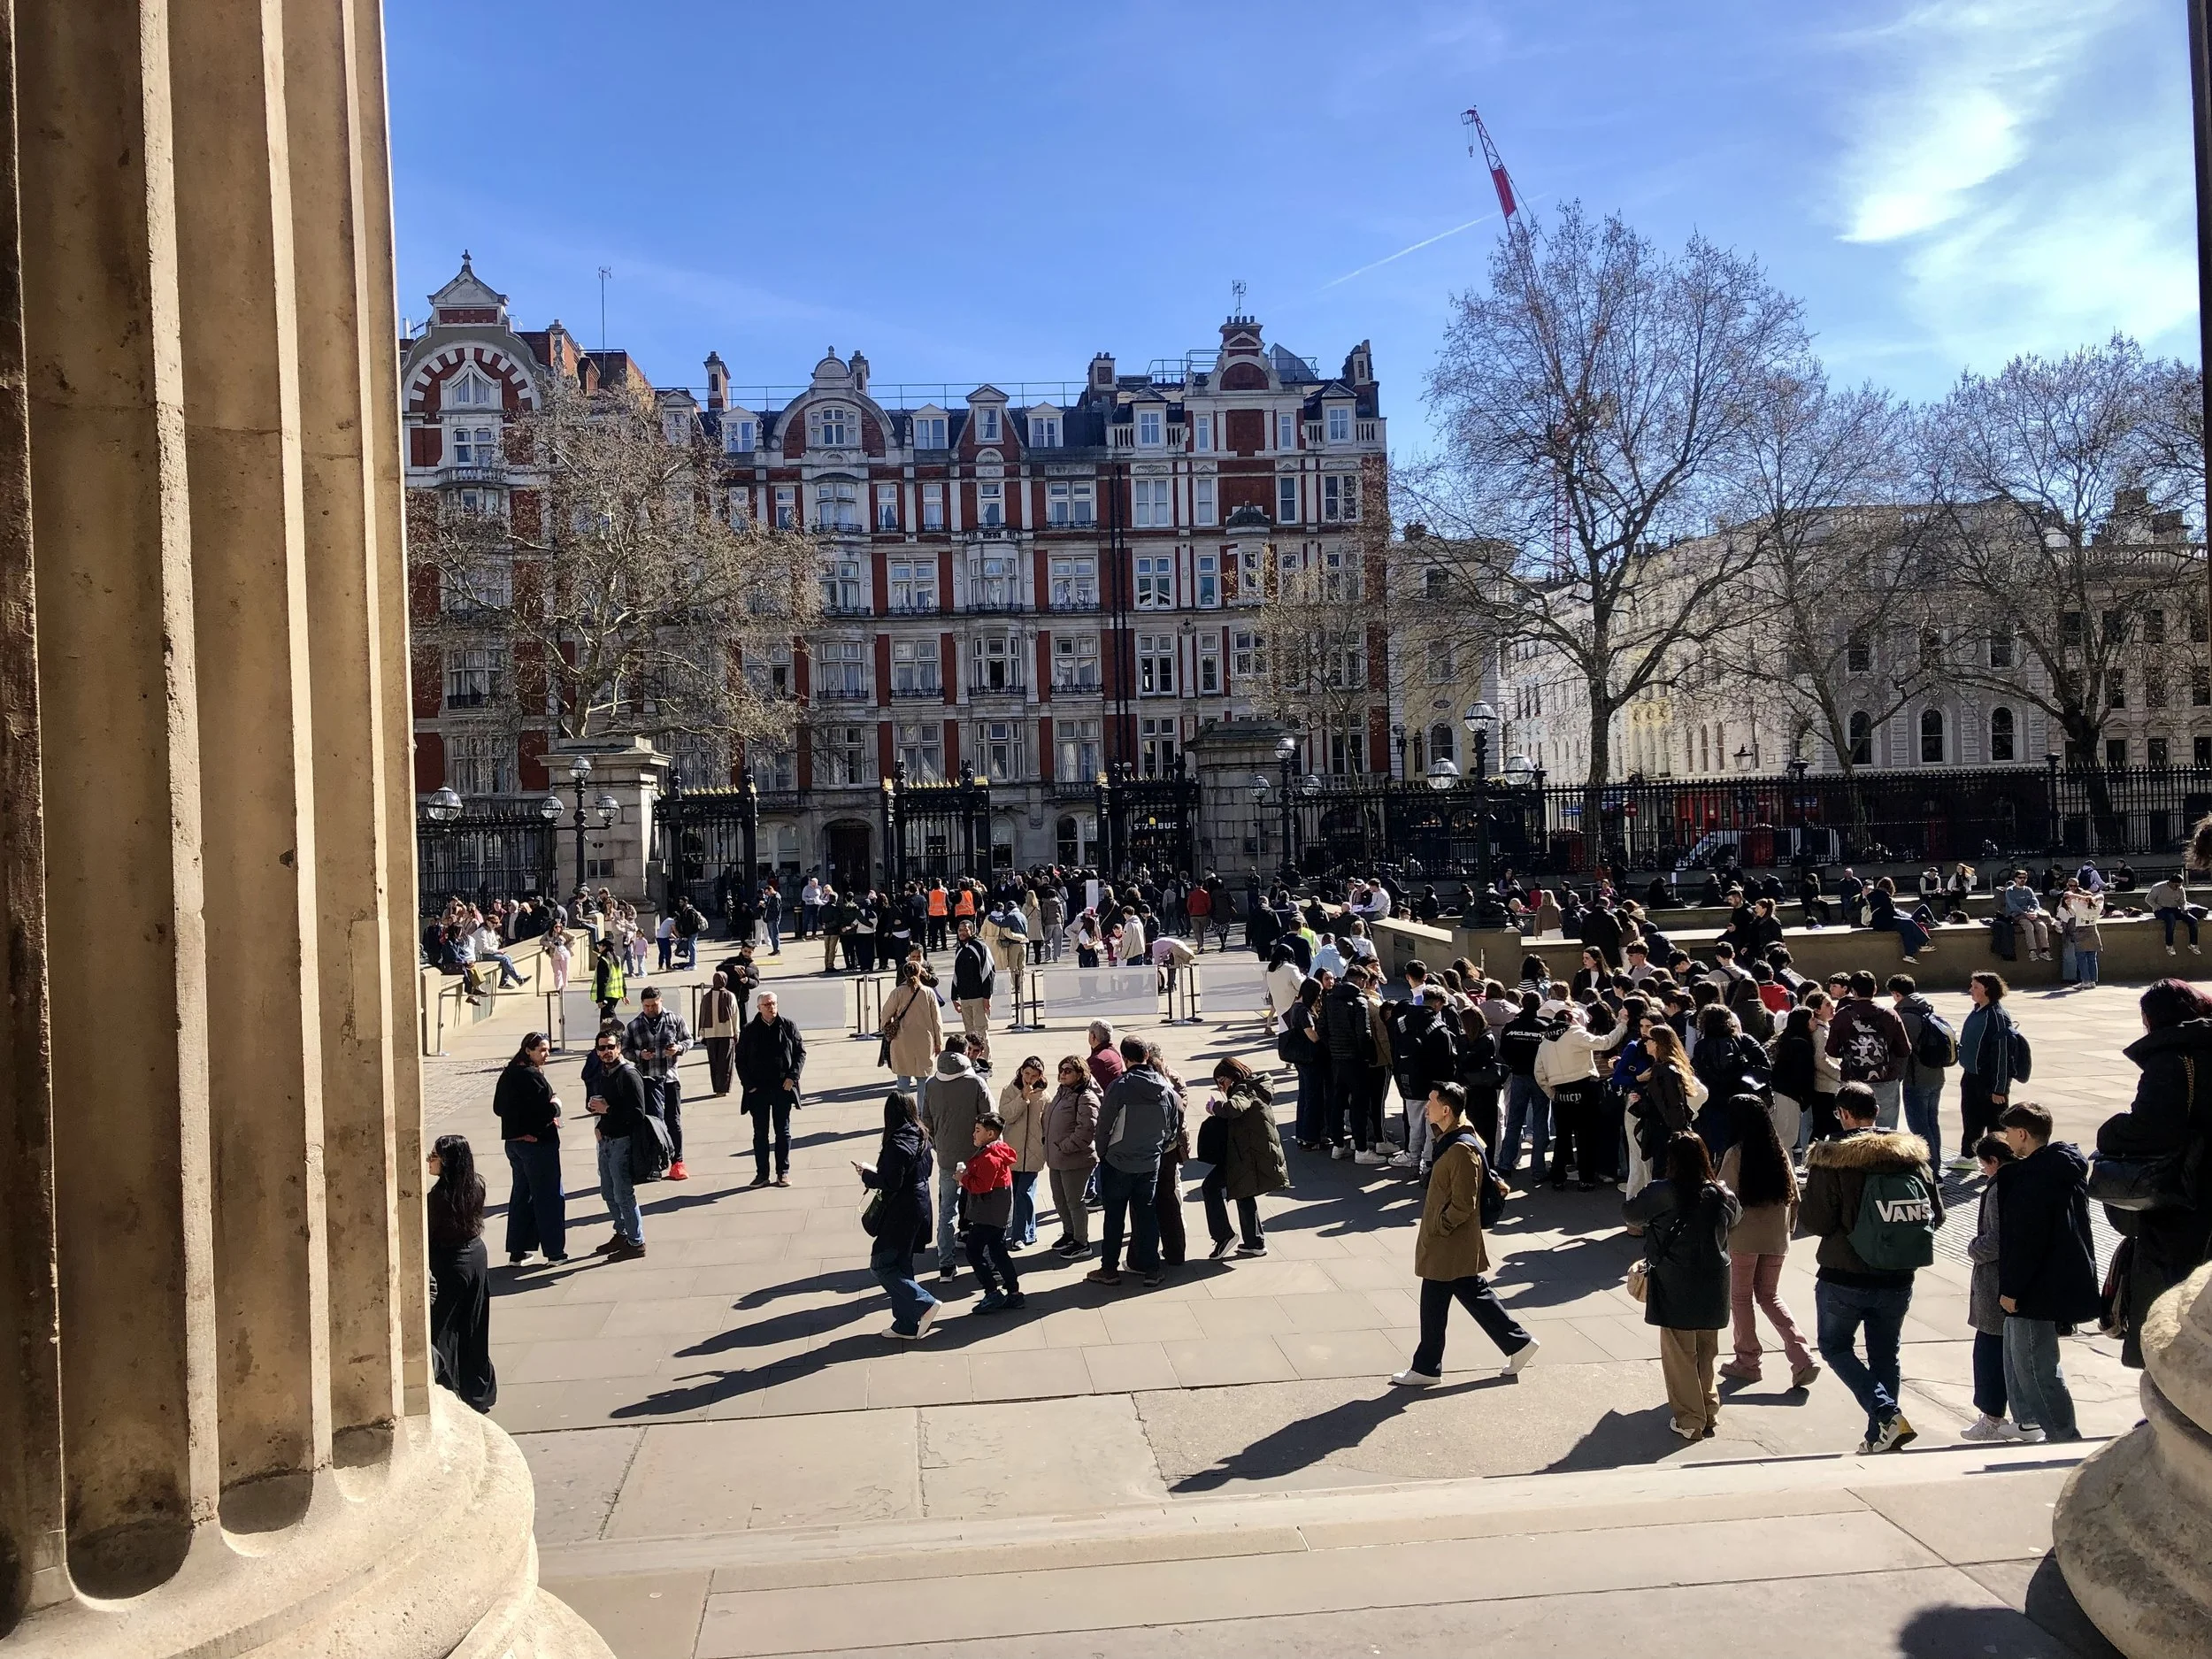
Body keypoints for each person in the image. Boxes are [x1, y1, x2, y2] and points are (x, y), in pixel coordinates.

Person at [1801, 1081, 1945, 1453]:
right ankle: (1881, 1435)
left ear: (1843, 1115)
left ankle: (1886, 1415)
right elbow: (1937, 1215)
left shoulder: (1832, 1158)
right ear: (1877, 1112)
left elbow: (1817, 1221)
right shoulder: (1912, 1158)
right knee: (1885, 1355)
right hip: (1898, 1276)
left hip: (1843, 1276)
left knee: (1834, 1347)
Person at [1390, 1082, 1540, 1385]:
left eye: (1432, 1102)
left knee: (1436, 1301)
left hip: (1449, 1240)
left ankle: (1427, 1368)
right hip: (1449, 1240)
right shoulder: (1452, 1138)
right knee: (1470, 1292)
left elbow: (1463, 1203)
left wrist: (1440, 1226)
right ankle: (1517, 1343)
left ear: (1446, 1110)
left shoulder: (1460, 1150)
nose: (1427, 1107)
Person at [2101, 977, 2212, 1367]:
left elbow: (2150, 1127)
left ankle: (2168, 1391)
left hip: (2184, 1202)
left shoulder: (2173, 1060)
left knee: (2171, 1318)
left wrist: (2111, 1130)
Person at [1624, 1131, 1740, 1440]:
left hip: (1676, 1279)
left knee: (1679, 1353)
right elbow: (1735, 1221)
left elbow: (1631, 1214)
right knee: (1706, 1349)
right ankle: (1708, 1409)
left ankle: (1690, 1419)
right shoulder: (1722, 1193)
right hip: (1715, 1279)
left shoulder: (1661, 1191)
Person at [1994, 1102, 2097, 1442]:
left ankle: (2063, 1435)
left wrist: (2012, 1289)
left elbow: (2025, 1241)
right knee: (2020, 1355)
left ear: (2023, 1134)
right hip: (2058, 1277)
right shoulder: (2062, 1168)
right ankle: (2029, 1421)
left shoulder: (2032, 1178)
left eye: (2009, 1133)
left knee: (2036, 1365)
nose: (2006, 1139)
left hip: (2035, 1287)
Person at [1717, 1094, 1816, 1388]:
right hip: (1776, 1238)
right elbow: (1794, 1197)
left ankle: (1748, 1360)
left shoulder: (1736, 1154)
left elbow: (1723, 1198)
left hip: (1743, 1237)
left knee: (1740, 1298)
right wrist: (1787, 1231)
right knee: (1769, 1296)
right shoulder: (1779, 1152)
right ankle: (1802, 1357)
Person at [1087, 1035, 1179, 1288]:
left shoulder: (1120, 1087)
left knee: (1114, 1218)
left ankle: (1109, 1269)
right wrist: (1156, 1150)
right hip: (1150, 1162)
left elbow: (1104, 1126)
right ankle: (1152, 1270)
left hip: (1118, 1162)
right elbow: (1172, 1128)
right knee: (1147, 1216)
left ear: (1125, 1059)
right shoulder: (1164, 1087)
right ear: (1146, 1055)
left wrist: (1103, 1153)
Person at [856, 1093, 941, 1340]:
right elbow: (926, 1170)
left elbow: (891, 1182)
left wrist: (867, 1175)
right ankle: (906, 1323)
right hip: (920, 1204)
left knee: (881, 1265)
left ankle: (923, 1303)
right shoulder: (922, 1135)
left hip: (900, 1211)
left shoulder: (896, 1143)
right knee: (902, 1264)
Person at [426, 1133, 495, 1412]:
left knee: (442, 1329)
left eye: (434, 1155)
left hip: (451, 1263)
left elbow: (429, 1235)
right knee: (474, 1324)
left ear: (447, 1161)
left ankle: (448, 1387)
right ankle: (478, 1389)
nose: (429, 1160)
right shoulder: (475, 1185)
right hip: (476, 1256)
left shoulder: (438, 1197)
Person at [1962, 1133, 2024, 1440]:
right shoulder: (2023, 1180)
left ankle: (1992, 1419)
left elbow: (1995, 1239)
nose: (1983, 1170)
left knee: (1989, 1351)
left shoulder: (2000, 1188)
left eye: (1983, 1164)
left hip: (1995, 1282)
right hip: (2012, 1279)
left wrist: (1974, 1248)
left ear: (1994, 1161)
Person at [493, 1031, 566, 1266]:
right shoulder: (531, 1075)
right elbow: (543, 1111)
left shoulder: (509, 1073)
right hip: (538, 1144)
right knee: (549, 1196)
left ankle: (517, 1252)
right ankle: (555, 1253)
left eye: (548, 1050)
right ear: (528, 1050)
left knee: (521, 1196)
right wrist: (556, 1106)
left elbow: (499, 1108)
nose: (546, 1054)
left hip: (514, 1144)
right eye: (542, 1050)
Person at [1200, 1057, 1286, 1258]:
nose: (1221, 1087)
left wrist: (1215, 1107)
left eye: (1222, 1081)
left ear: (1233, 1075)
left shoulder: (1244, 1090)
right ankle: (1255, 1242)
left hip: (1246, 1153)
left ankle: (1224, 1235)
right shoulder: (1255, 1086)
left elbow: (1234, 1108)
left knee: (1211, 1187)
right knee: (1243, 1190)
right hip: (1251, 1150)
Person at [921, 1038, 990, 1279]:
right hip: (976, 1157)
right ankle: (987, 1260)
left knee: (947, 1211)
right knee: (983, 1209)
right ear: (965, 1053)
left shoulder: (931, 1084)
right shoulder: (976, 1082)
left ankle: (945, 1264)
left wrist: (939, 1146)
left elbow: (926, 1122)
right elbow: (990, 1119)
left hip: (947, 1158)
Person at [585, 1028, 649, 1260]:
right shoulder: (604, 1072)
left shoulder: (628, 1074)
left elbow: (638, 1113)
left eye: (611, 1047)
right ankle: (622, 1232)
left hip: (623, 1142)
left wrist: (608, 1110)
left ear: (619, 1048)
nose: (607, 1051)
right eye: (602, 1048)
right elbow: (607, 1104)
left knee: (623, 1193)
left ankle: (636, 1242)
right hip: (606, 1140)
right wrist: (600, 1122)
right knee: (608, 1192)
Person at [735, 989, 806, 1189]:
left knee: (783, 1132)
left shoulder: (788, 1025)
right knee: (760, 1134)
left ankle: (783, 1172)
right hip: (758, 1090)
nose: (771, 1007)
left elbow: (800, 1053)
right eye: (767, 1004)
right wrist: (749, 1086)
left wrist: (792, 1077)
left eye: (774, 1003)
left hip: (783, 1087)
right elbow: (740, 1060)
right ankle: (762, 1174)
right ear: (759, 1008)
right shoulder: (749, 1030)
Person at [958, 1112, 1025, 1313]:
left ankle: (992, 1292)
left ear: (990, 1134)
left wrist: (962, 1178)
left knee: (973, 1251)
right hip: (998, 1213)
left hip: (987, 1215)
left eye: (978, 1130)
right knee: (997, 1250)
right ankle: (1014, 1292)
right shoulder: (998, 1151)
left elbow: (981, 1186)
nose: (973, 1134)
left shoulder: (989, 1158)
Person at [1826, 971, 1909, 1131]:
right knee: (1886, 1130)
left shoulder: (1843, 1016)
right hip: (1885, 1080)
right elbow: (1904, 1050)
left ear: (1853, 991)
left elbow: (1832, 1050)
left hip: (1853, 1082)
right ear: (1875, 989)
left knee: (1853, 1129)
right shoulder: (1889, 1015)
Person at [625, 987, 691, 1181]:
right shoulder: (634, 1025)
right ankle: (655, 1163)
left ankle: (678, 1162)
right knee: (653, 1122)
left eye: (654, 1005)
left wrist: (678, 1048)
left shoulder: (674, 1019)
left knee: (673, 1120)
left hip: (670, 1077)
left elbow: (688, 1040)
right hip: (646, 1079)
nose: (650, 1009)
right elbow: (625, 1049)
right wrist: (639, 1055)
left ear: (661, 1001)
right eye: (646, 1006)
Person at [1955, 972, 2017, 1174]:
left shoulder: (1997, 1017)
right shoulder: (1977, 1011)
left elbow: (2002, 1055)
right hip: (1971, 1076)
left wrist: (2000, 1088)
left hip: (1988, 1080)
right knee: (1971, 1119)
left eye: (1975, 987)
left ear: (1988, 990)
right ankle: (1968, 1156)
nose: (1970, 990)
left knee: (1994, 1124)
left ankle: (1999, 1163)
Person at [1887, 973, 1953, 1161]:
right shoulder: (1926, 1009)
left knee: (1919, 1127)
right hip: (1936, 1076)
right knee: (1932, 1123)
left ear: (1897, 994)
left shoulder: (1906, 1017)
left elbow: (1903, 1053)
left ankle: (1930, 1167)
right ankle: (1936, 1164)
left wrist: (1897, 1078)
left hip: (1916, 1080)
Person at [1044, 1055, 1101, 1258]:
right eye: (1061, 1070)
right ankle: (1069, 1233)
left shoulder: (1086, 1097)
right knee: (1059, 1199)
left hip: (1075, 1159)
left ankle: (1081, 1242)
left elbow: (1086, 1131)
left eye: (1068, 1071)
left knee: (1074, 1202)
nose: (1063, 1074)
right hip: (1056, 1157)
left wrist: (1065, 1147)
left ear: (1079, 1074)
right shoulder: (1062, 1092)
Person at [997, 1056, 1050, 1248]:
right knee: (1015, 1194)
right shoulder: (1009, 1090)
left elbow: (1047, 1125)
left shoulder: (1044, 1097)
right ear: (1021, 1071)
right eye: (1026, 1073)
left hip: (1034, 1153)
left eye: (1034, 1076)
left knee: (1024, 1193)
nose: (1029, 1079)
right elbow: (1006, 1116)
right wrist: (1022, 1098)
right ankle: (1029, 1230)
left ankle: (1019, 1235)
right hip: (1013, 1152)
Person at [882, 956, 946, 1093]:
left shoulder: (897, 992)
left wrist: (887, 1029)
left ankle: (903, 1105)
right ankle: (922, 1106)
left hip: (902, 1038)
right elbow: (937, 1020)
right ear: (920, 972)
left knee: (903, 1077)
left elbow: (885, 1014)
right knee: (923, 1079)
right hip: (925, 1039)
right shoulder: (928, 992)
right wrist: (939, 1042)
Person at [951, 917, 996, 1064]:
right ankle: (972, 1061)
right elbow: (956, 974)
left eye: (965, 930)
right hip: (965, 998)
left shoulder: (980, 947)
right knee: (969, 1033)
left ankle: (985, 1061)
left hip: (979, 997)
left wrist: (986, 997)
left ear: (972, 930)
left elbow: (989, 972)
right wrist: (954, 997)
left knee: (981, 1031)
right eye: (960, 930)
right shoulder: (959, 949)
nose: (962, 933)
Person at [698, 971, 740, 1097]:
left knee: (714, 1062)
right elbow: (735, 1015)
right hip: (726, 1033)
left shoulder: (706, 997)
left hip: (710, 1034)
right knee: (725, 1063)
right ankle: (723, 1089)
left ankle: (716, 1088)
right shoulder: (730, 995)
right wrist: (736, 1032)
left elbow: (702, 1015)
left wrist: (702, 1032)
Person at [2058, 881, 2104, 987]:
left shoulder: (2079, 906)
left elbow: (2068, 894)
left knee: (2081, 958)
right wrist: (2092, 898)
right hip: (2093, 931)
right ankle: (2093, 981)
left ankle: (2085, 981)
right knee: (2092, 958)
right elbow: (2101, 896)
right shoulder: (2097, 907)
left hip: (2081, 932)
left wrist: (2081, 897)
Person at [2147, 870, 2200, 956]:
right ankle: (2169, 945)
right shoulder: (2158, 887)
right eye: (2176, 885)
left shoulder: (2180, 889)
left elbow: (2183, 902)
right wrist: (2157, 907)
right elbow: (2148, 899)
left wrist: (2184, 909)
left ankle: (2193, 944)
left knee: (2193, 921)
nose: (2178, 888)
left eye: (2180, 885)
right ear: (2171, 882)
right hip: (2161, 909)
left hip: (2175, 909)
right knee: (2171, 920)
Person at [592, 936, 626, 1021]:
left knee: (609, 1020)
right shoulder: (616, 960)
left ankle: (618, 1030)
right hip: (616, 994)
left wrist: (600, 999)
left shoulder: (603, 960)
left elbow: (602, 981)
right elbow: (621, 977)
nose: (599, 947)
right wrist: (624, 994)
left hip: (607, 995)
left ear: (604, 947)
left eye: (600, 945)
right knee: (606, 1020)